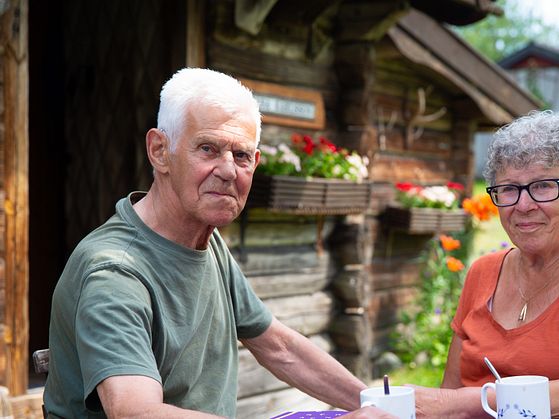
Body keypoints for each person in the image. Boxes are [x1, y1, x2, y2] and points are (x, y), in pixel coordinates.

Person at [43, 68, 391, 419]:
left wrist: (374, 403)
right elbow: (137, 413)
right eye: (208, 149)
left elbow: (278, 347)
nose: (228, 171)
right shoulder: (116, 271)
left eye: (241, 156)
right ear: (160, 151)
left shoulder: (204, 238)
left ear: (255, 164)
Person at [412, 110, 559, 418]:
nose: (523, 205)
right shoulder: (483, 272)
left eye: (543, 186)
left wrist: (469, 402)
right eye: (509, 189)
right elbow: (448, 393)